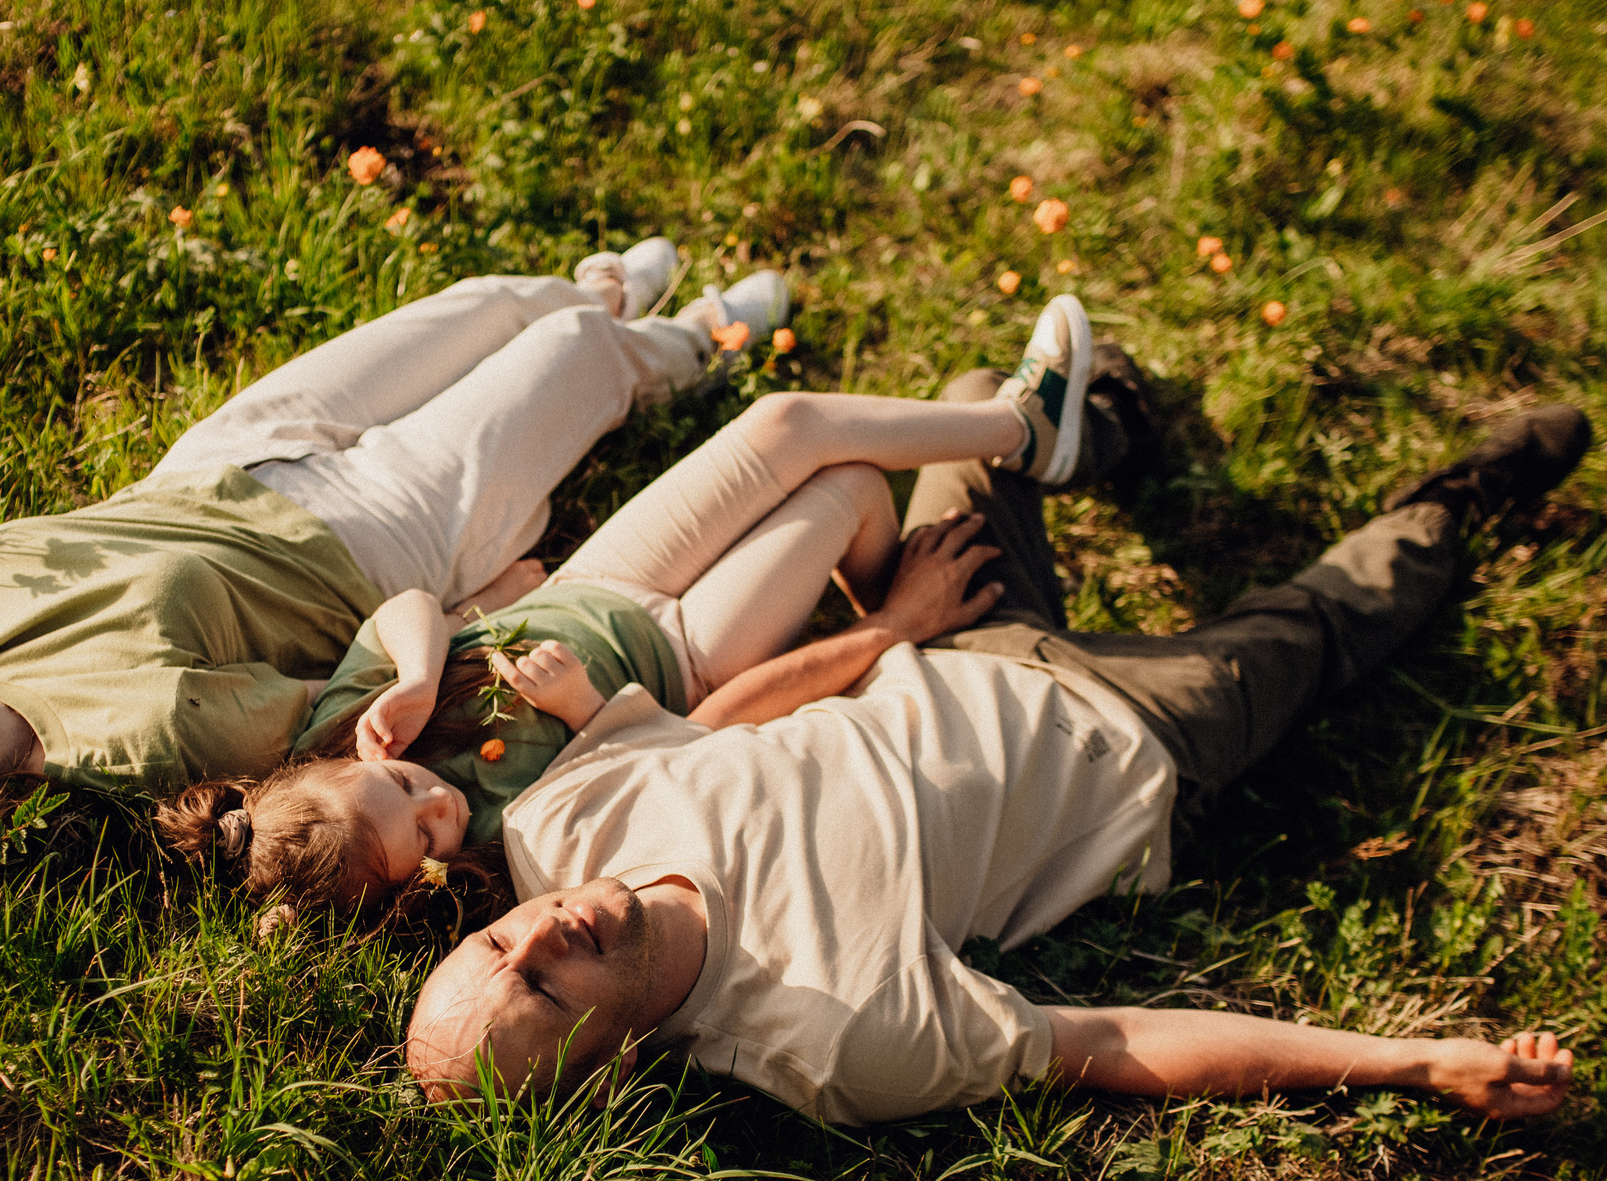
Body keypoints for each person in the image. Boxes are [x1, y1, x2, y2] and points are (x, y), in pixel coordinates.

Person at [0, 244, 792, 993]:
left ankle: (602, 291)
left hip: (227, 457)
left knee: (485, 304)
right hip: (380, 532)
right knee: (570, 364)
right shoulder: (138, 745)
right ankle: (686, 341)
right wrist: (473, 615)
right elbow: (366, 716)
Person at [404, 335, 1595, 1125]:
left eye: (496, 947)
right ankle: (1460, 502)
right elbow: (1110, 1040)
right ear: (608, 1066)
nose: (542, 935)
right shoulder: (829, 1038)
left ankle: (1116, 421)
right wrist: (1416, 1060)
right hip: (1124, 745)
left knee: (977, 405)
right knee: (1324, 624)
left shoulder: (556, 826)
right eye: (548, 987)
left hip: (954, 634)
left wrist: (892, 628)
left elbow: (704, 727)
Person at [155, 297, 1144, 929]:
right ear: (408, 886)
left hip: (596, 582)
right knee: (848, 491)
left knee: (784, 423)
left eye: (403, 783)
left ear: (340, 761)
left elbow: (405, 609)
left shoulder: (356, 729)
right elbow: (669, 761)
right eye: (424, 835)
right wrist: (586, 710)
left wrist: (418, 671)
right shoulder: (501, 857)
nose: (435, 802)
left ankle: (1021, 428)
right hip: (682, 658)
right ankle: (912, 618)